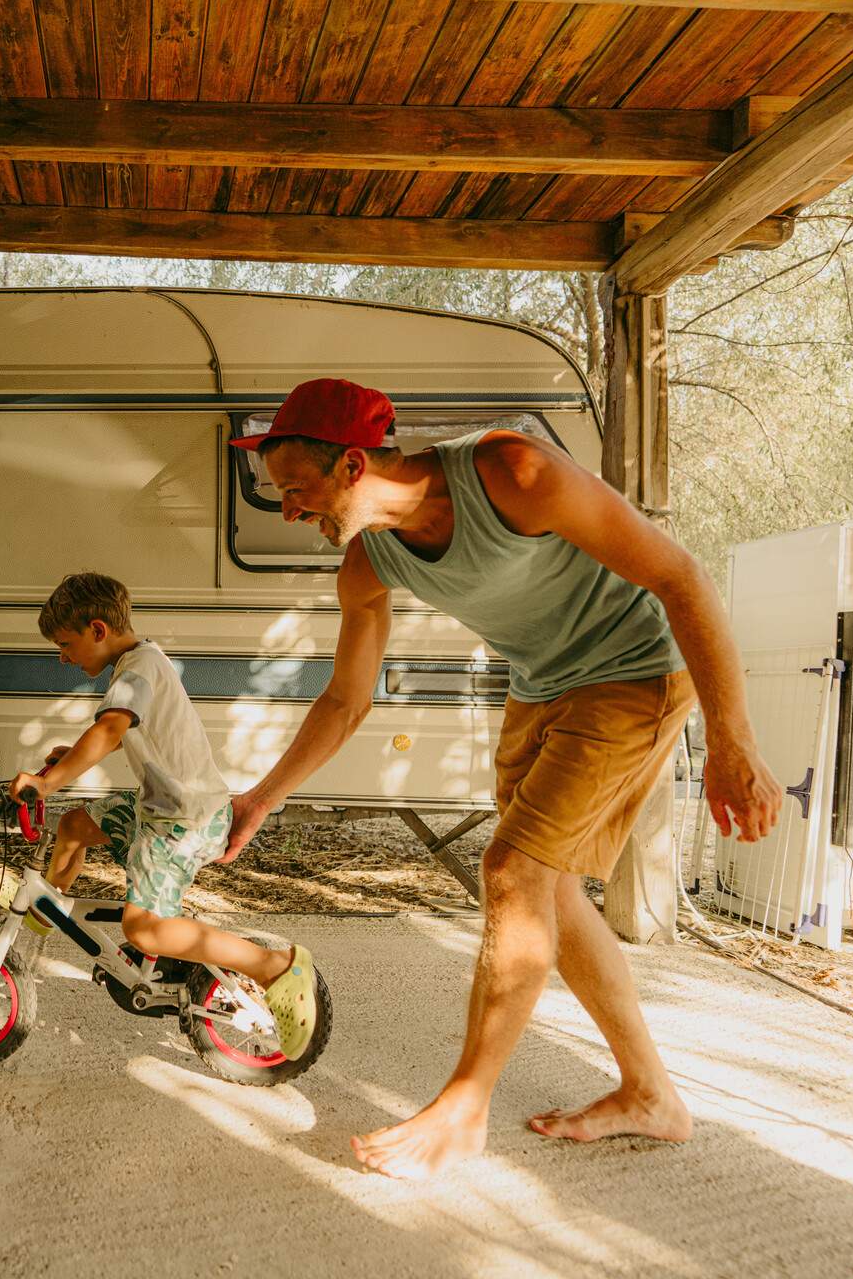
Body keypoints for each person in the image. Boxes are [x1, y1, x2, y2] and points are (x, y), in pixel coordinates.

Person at [225, 377, 783, 1179]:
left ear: (352, 464)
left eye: (295, 489)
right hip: (541, 686)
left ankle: (465, 1107)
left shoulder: (511, 474)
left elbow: (681, 577)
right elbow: (348, 698)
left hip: (634, 671)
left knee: (512, 870)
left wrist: (734, 741)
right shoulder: (367, 562)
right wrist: (261, 798)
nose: (288, 511)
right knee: (545, 888)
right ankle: (651, 1095)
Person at [0, 571, 321, 1057]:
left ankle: (274, 966)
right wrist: (69, 758)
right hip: (164, 808)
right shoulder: (138, 662)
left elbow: (110, 730)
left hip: (182, 821)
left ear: (98, 629)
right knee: (73, 826)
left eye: (66, 644)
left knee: (143, 928)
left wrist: (47, 782)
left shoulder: (138, 668)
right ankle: (50, 908)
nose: (62, 656)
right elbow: (128, 732)